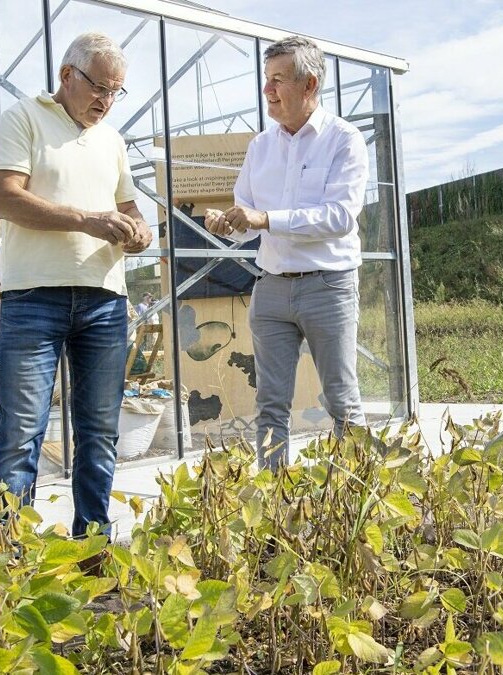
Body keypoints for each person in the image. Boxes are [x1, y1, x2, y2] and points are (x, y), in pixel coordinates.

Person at [0, 32, 151, 538]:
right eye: (99, 86)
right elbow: (5, 200)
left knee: (100, 431)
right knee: (21, 433)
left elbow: (128, 208)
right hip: (33, 297)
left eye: (116, 91)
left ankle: (93, 543)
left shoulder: (113, 141)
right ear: (66, 75)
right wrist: (86, 220)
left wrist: (138, 229)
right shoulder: (21, 118)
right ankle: (7, 555)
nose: (106, 100)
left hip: (104, 299)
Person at [204, 35, 368, 470]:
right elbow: (248, 223)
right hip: (272, 289)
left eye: (277, 80)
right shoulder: (260, 146)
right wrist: (230, 224)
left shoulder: (344, 140)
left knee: (341, 400)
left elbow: (339, 217)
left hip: (328, 287)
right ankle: (273, 506)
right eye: (266, 79)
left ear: (309, 84)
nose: (267, 91)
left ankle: (355, 502)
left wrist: (264, 219)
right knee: (270, 404)